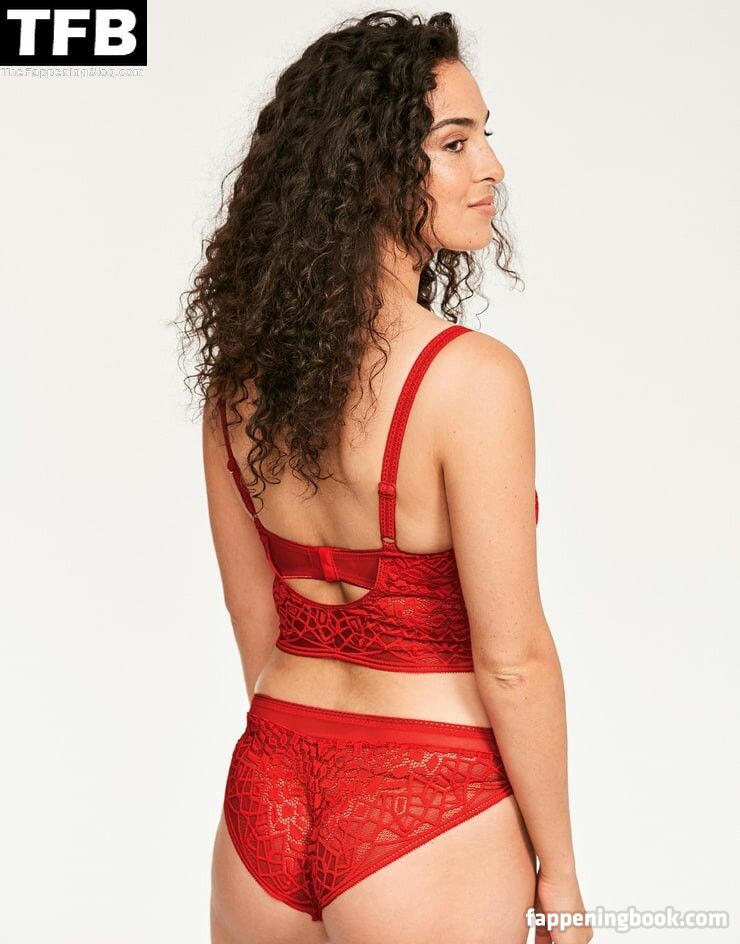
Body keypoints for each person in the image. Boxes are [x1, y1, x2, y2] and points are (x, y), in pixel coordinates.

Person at [181, 11, 591, 944]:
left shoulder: (240, 383)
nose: (492, 167)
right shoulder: (471, 378)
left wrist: (311, 761)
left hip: (269, 789)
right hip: (429, 801)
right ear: (368, 171)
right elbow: (513, 661)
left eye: (485, 136)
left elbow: (254, 617)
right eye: (455, 143)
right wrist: (561, 873)